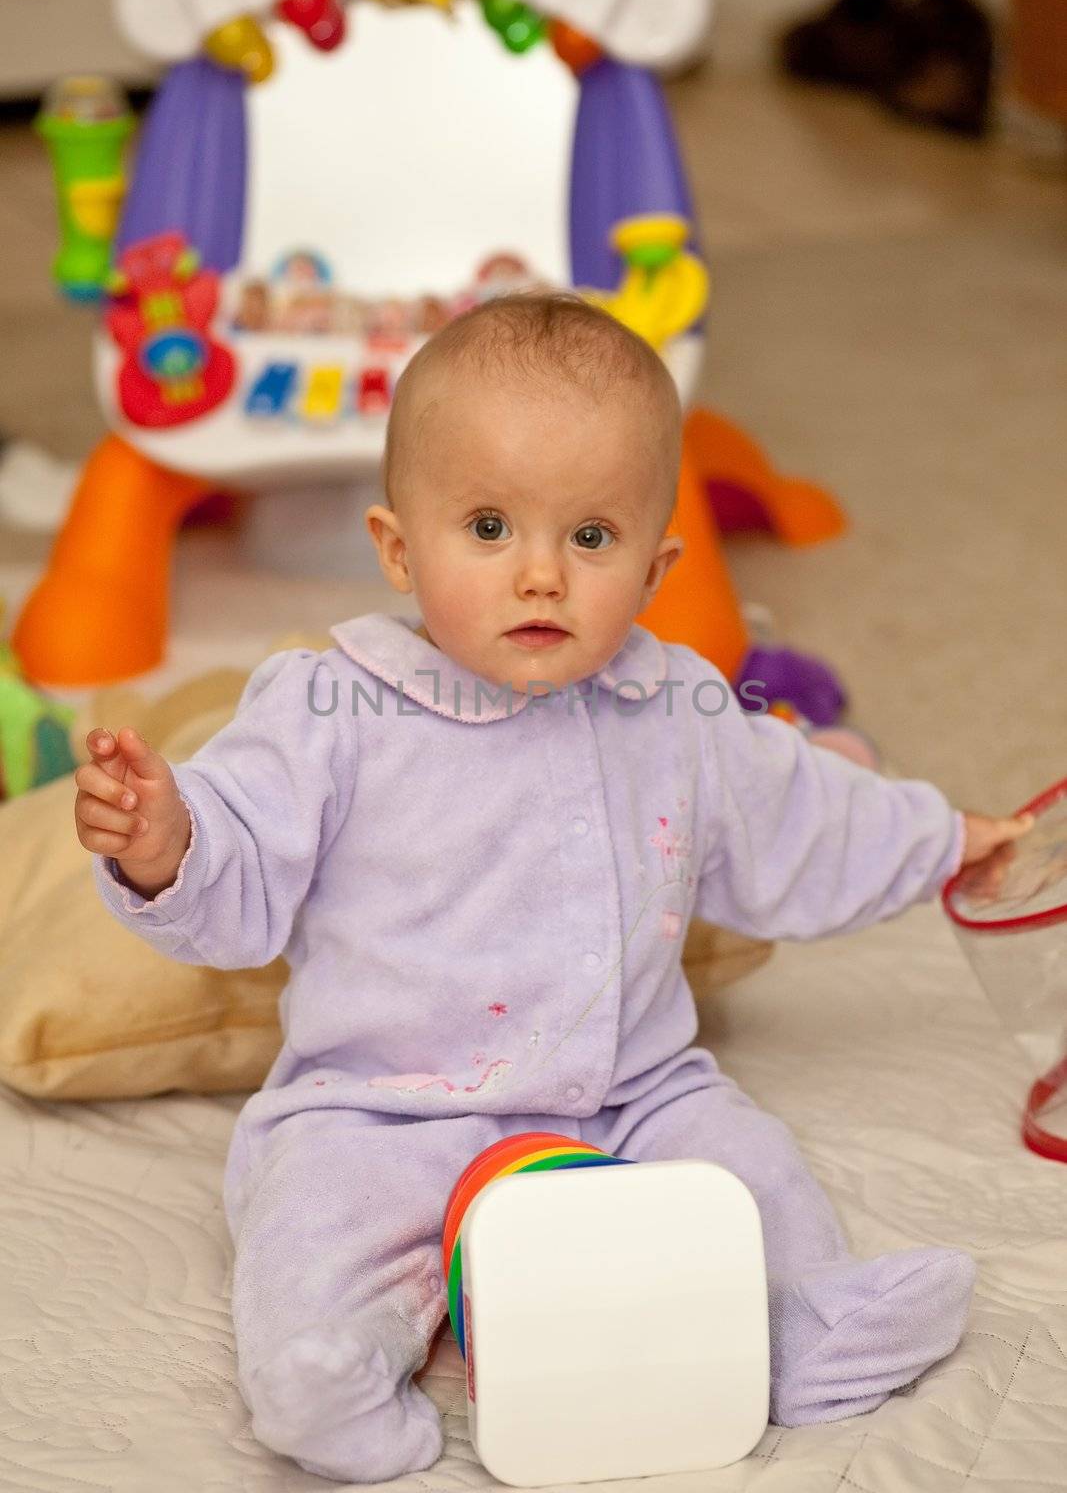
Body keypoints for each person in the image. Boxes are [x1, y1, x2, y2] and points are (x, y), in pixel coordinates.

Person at [75, 293, 1031, 1484]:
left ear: (654, 565)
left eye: (589, 538)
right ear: (396, 547)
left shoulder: (675, 706)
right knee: (311, 1217)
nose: (539, 574)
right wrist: (164, 837)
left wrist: (944, 836)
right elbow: (239, 861)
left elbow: (804, 813)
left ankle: (806, 1318)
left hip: (628, 1090)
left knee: (749, 1163)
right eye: (486, 527)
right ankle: (324, 1361)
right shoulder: (326, 709)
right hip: (386, 1100)